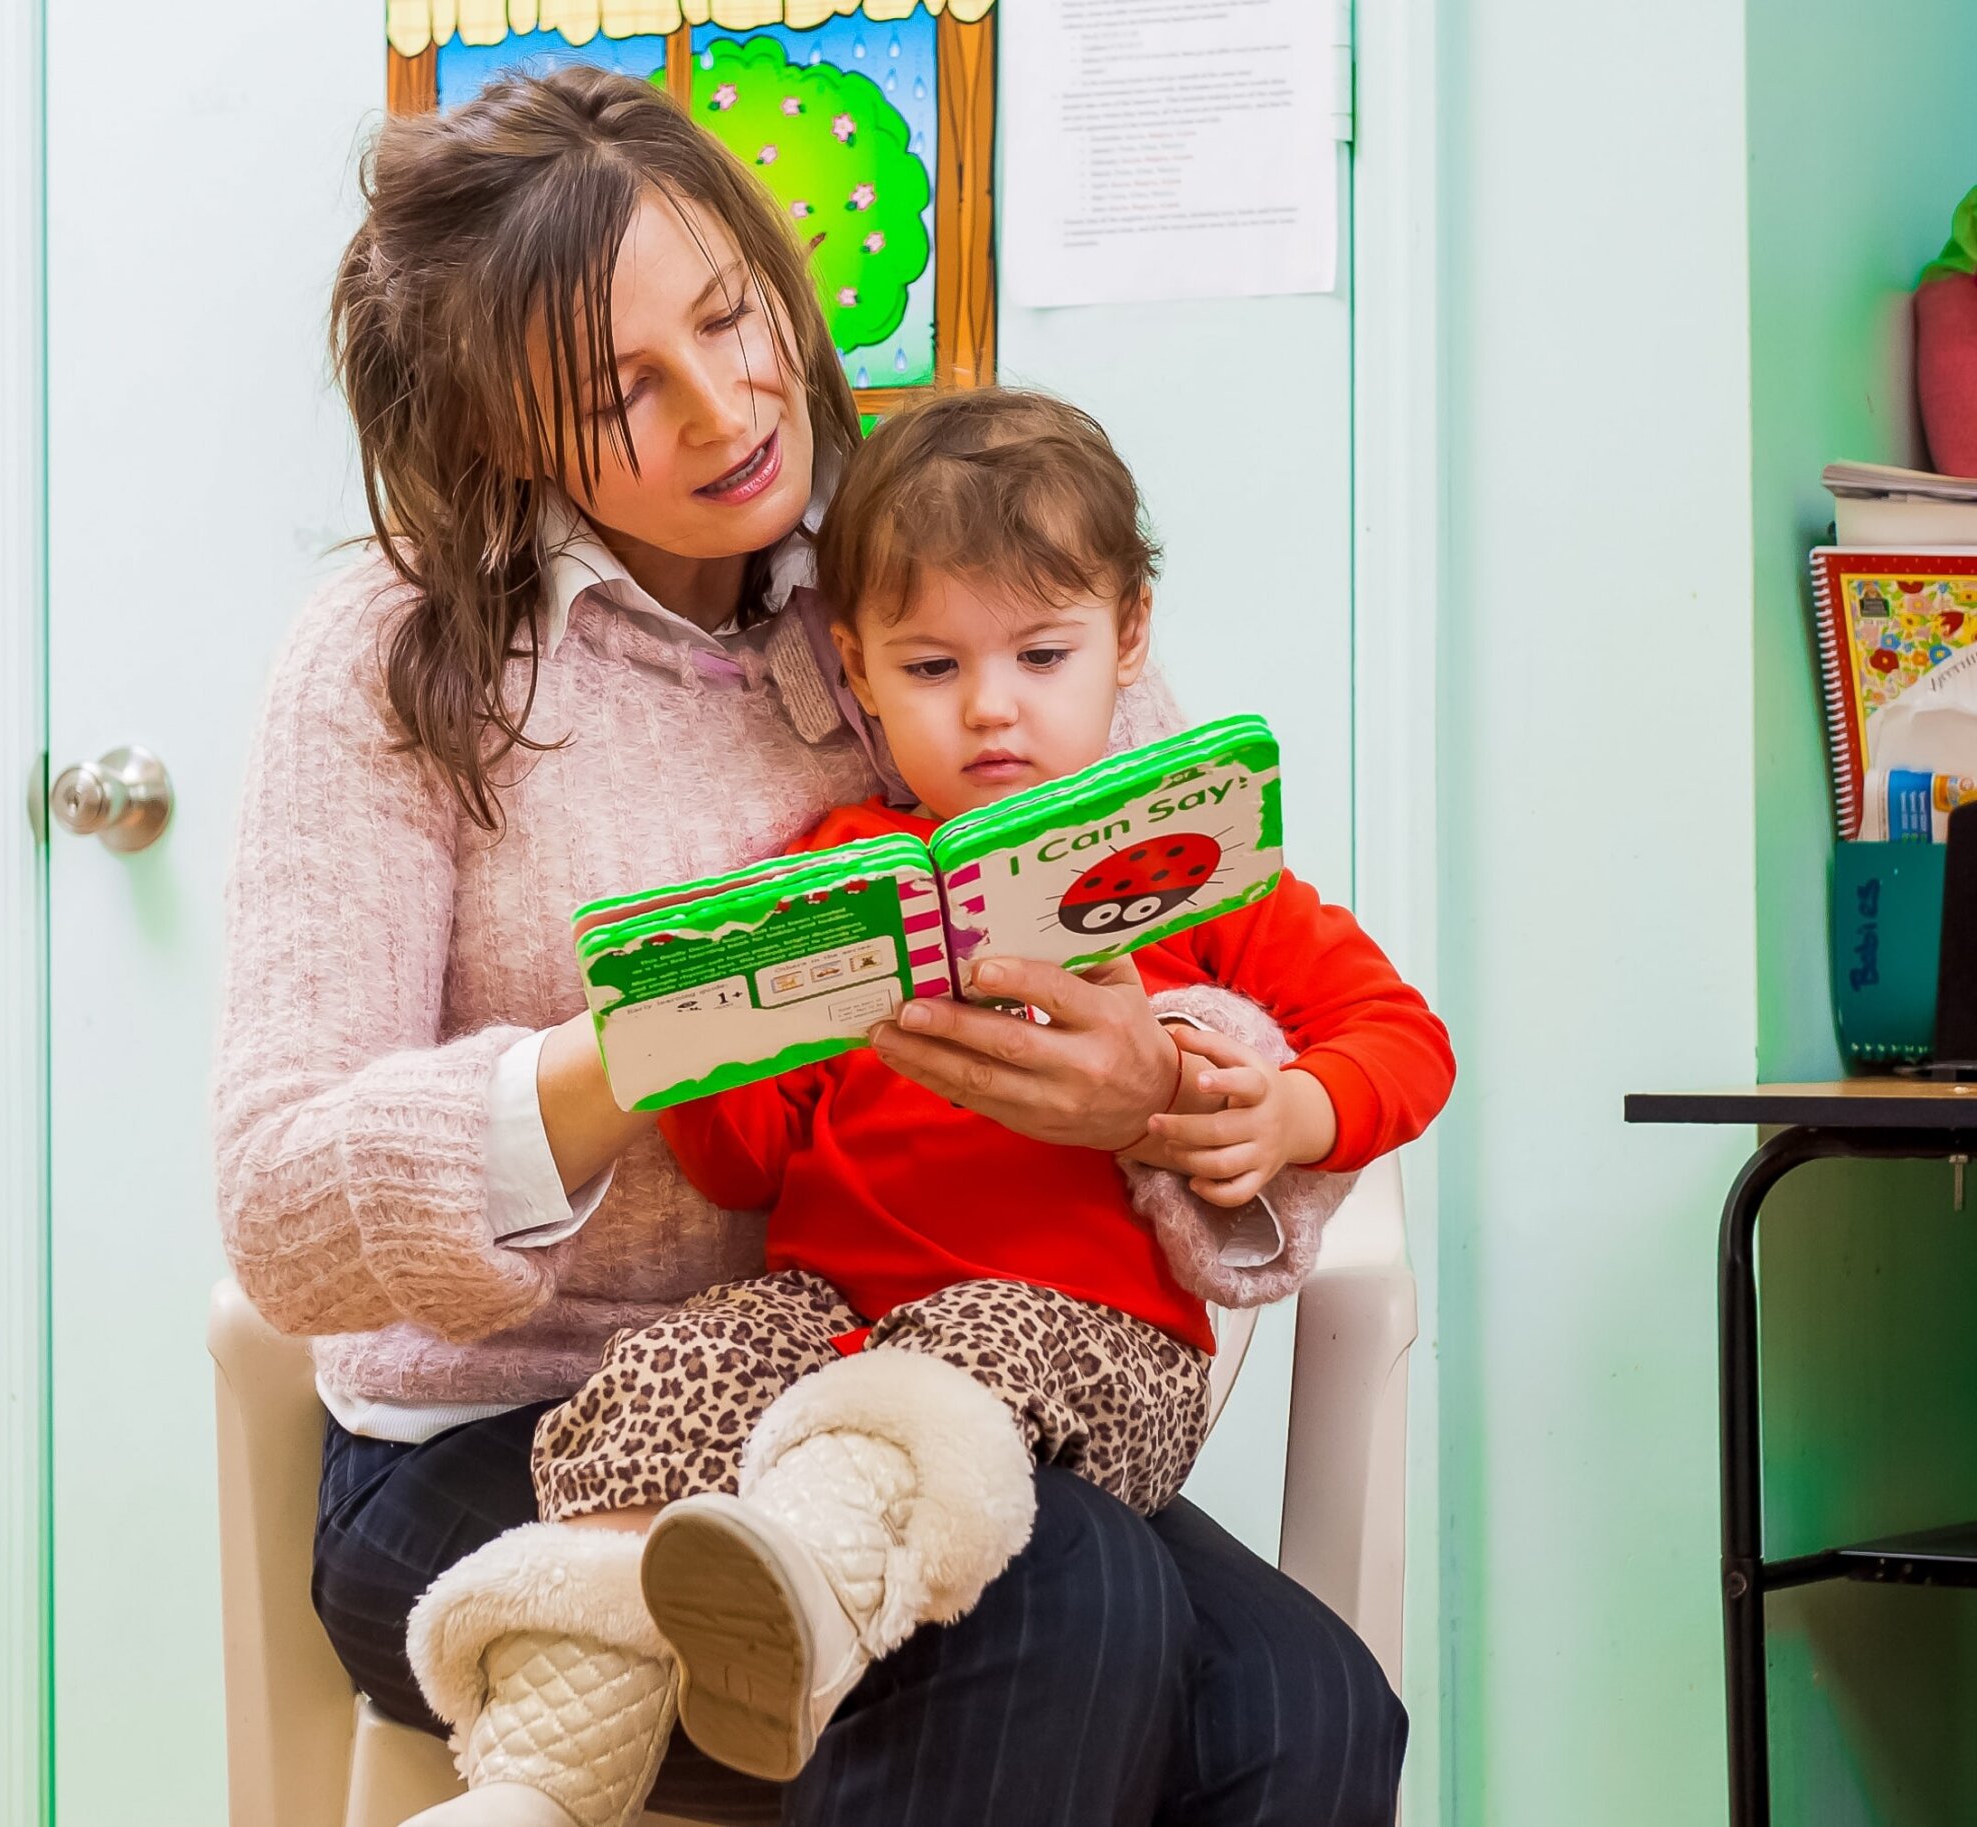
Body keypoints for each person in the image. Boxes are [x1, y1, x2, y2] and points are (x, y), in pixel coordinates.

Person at [217, 65, 1412, 1827]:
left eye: (732, 316)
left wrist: (1157, 1093)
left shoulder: (941, 557)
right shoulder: (394, 666)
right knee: (1061, 1599)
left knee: (1310, 1712)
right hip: (524, 1444)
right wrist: (627, 1060)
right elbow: (278, 1209)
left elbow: (1224, 946)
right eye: (626, 390)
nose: (722, 413)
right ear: (503, 434)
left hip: (937, 1380)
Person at [398, 390, 1455, 1826]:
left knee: (953, 1390)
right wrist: (721, 1033)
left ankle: (811, 1618)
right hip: (834, 1322)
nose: (992, 705)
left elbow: (1400, 1037)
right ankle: (540, 1774)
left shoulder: (1195, 872)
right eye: (933, 664)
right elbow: (738, 1157)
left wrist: (1290, 1113)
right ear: (859, 672)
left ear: (1128, 640)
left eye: (1042, 653)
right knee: (673, 1373)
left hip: (1079, 1350)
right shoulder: (847, 876)